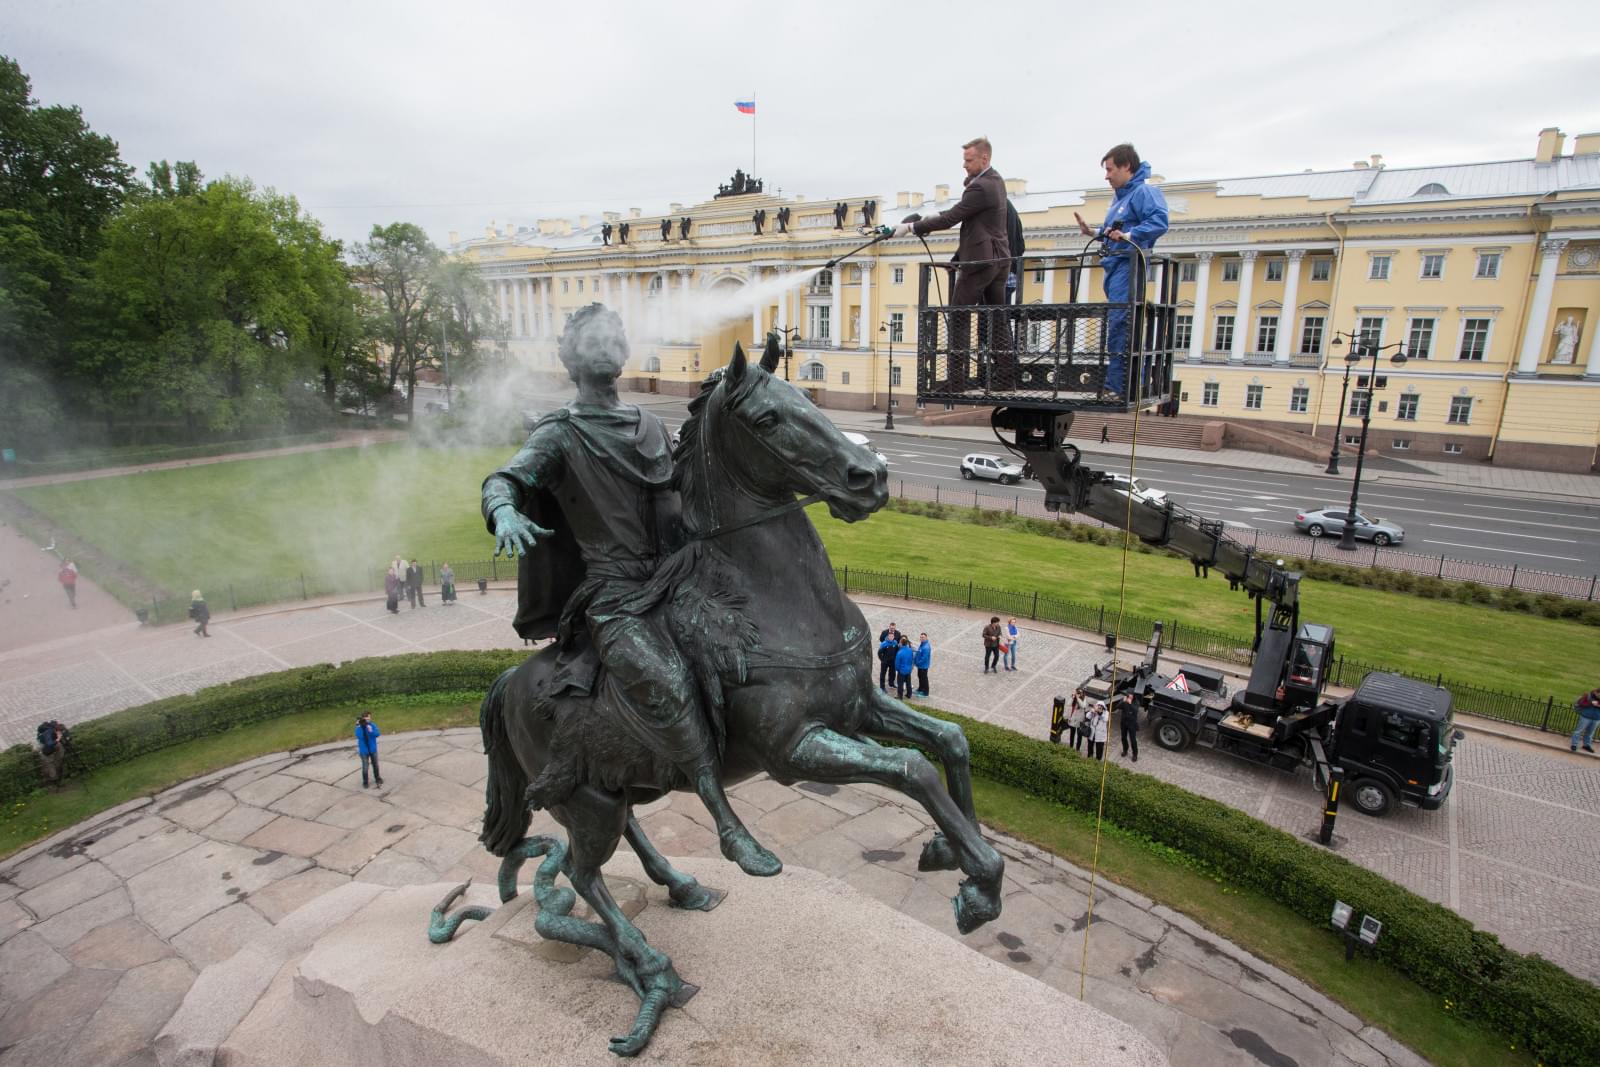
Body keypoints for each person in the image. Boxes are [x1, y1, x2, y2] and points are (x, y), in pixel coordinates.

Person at [482, 302, 778, 877]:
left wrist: (723, 398)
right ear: (570, 358)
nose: (606, 347)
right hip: (613, 594)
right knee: (663, 681)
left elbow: (684, 484)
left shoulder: (648, 424)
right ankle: (726, 823)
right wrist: (504, 513)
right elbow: (505, 479)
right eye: (591, 341)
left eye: (615, 338)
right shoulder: (560, 432)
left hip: (671, 577)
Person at [894, 137, 1010, 390]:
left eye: (969, 161)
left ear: (984, 159)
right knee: (997, 317)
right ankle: (1005, 375)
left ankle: (956, 379)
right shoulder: (996, 182)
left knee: (958, 315)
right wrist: (956, 259)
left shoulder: (981, 187)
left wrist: (912, 226)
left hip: (981, 262)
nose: (964, 166)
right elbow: (975, 225)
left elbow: (953, 219)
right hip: (999, 259)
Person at [1075, 144, 1169, 400]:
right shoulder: (1121, 198)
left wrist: (1128, 236)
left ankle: (1121, 386)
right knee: (1117, 324)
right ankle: (1117, 383)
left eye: (1110, 169)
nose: (1107, 176)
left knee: (1122, 324)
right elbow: (1113, 233)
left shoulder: (1144, 192)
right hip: (1115, 266)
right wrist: (1093, 232)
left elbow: (1159, 222)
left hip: (1129, 266)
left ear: (1127, 166)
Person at [355, 711, 384, 788]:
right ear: (363, 719)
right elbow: (359, 736)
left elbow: (377, 734)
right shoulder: (359, 727)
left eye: (369, 718)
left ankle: (377, 778)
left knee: (375, 765)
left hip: (372, 749)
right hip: (364, 751)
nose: (368, 720)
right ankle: (365, 782)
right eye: (366, 719)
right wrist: (359, 726)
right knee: (365, 767)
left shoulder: (372, 725)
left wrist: (371, 730)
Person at [1573, 686, 1600, 754]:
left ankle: (1586, 745)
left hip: (1596, 718)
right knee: (1578, 731)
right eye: (1598, 693)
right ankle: (1574, 744)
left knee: (1590, 733)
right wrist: (1590, 703)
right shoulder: (1588, 695)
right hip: (1586, 716)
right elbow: (1581, 703)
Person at [1119, 687, 1141, 762]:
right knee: (1123, 737)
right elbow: (1117, 707)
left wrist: (1130, 703)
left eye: (1131, 694)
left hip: (1132, 723)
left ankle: (1135, 754)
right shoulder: (1124, 699)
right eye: (1128, 694)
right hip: (1124, 722)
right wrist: (1123, 702)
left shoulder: (1136, 702)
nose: (1129, 696)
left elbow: (1135, 710)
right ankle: (1125, 750)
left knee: (1133, 740)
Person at [878, 623, 901, 692]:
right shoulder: (884, 644)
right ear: (888, 637)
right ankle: (882, 687)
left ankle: (891, 683)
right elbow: (879, 653)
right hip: (885, 661)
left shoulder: (895, 643)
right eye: (890, 636)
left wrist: (896, 658)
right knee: (883, 673)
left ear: (893, 637)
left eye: (892, 636)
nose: (891, 638)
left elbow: (897, 650)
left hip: (892, 661)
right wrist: (882, 659)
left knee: (892, 673)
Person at [894, 635, 915, 700]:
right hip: (908, 670)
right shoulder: (910, 650)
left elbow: (897, 663)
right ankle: (909, 694)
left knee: (900, 684)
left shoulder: (900, 653)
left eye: (900, 642)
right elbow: (912, 659)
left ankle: (900, 696)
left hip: (902, 670)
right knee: (908, 682)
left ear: (901, 643)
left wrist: (898, 669)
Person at [913, 632, 932, 697]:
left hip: (923, 666)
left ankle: (925, 693)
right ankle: (920, 689)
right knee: (920, 677)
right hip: (920, 666)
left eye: (923, 637)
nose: (921, 638)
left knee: (924, 678)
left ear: (926, 638)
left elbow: (924, 658)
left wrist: (917, 663)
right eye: (921, 637)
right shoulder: (922, 644)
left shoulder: (926, 647)